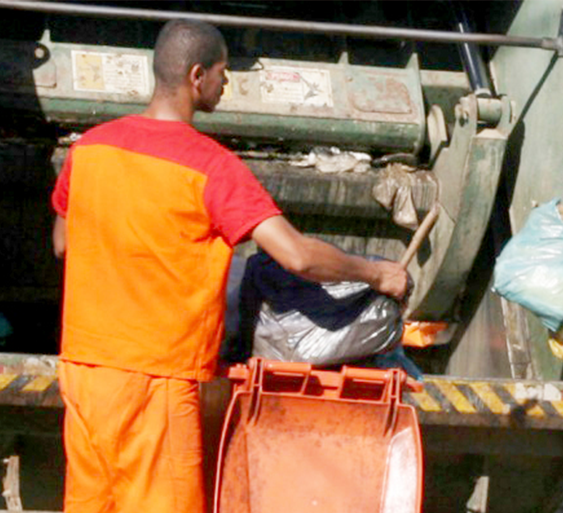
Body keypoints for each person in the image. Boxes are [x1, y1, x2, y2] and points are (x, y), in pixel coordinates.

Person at [50, 19, 409, 513]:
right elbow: (298, 256)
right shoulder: (212, 167)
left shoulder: (89, 149)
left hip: (85, 372)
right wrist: (377, 274)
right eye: (223, 73)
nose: (227, 84)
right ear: (197, 77)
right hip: (156, 379)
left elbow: (63, 243)